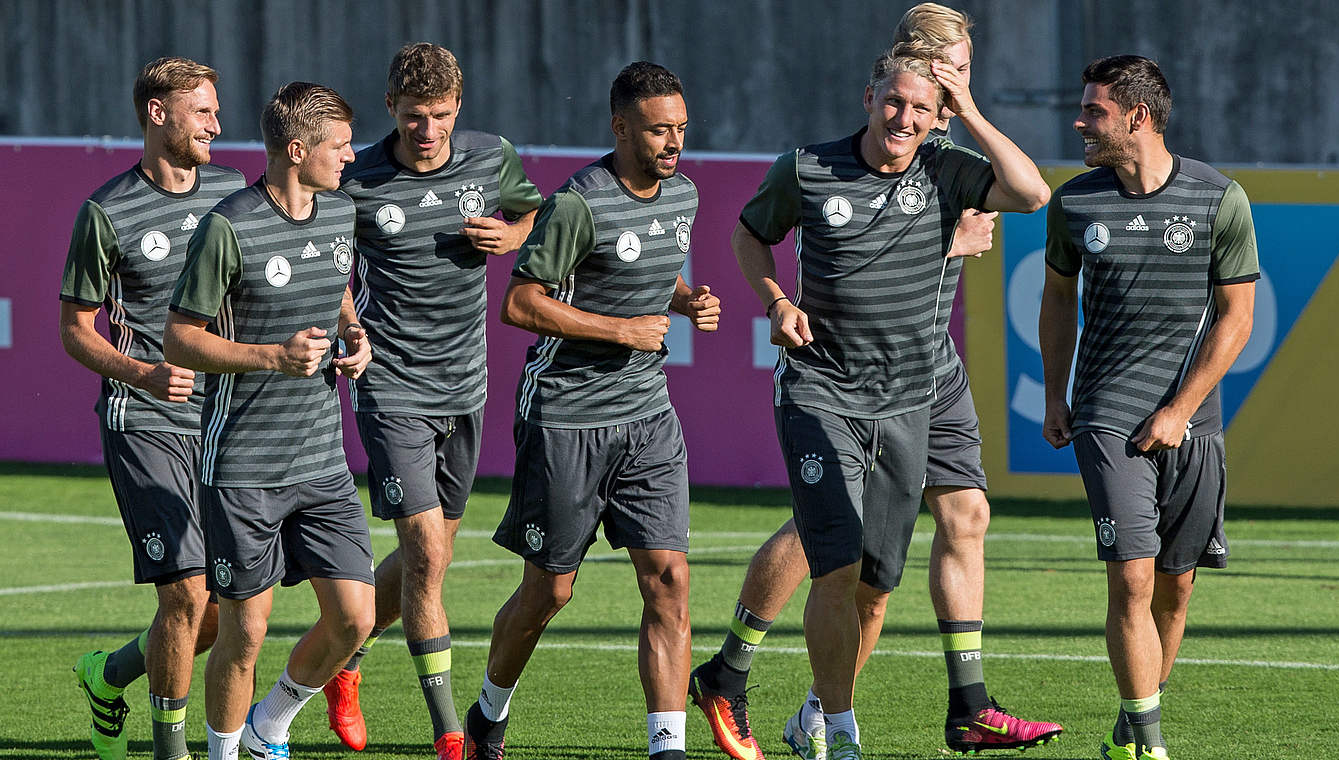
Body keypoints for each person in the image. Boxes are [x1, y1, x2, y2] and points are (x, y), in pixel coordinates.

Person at [689, 7, 1062, 759]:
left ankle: (783, 698)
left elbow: (1031, 194)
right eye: (897, 99)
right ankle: (846, 732)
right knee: (834, 555)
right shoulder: (808, 167)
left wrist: (967, 115)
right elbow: (749, 233)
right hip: (823, 390)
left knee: (879, 578)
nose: (906, 114)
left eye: (927, 102)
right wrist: (777, 301)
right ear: (870, 94)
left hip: (915, 394)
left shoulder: (949, 164)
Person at [459, 61, 720, 760]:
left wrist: (684, 300)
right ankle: (489, 711)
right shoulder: (579, 202)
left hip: (648, 416)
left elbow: (648, 272)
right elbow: (521, 303)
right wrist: (621, 330)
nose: (674, 142)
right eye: (660, 129)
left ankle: (667, 747)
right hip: (566, 418)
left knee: (669, 580)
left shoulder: (683, 195)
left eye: (682, 129)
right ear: (620, 127)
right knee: (550, 592)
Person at [1040, 55, 1258, 760]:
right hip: (1107, 415)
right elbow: (1054, 299)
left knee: (1175, 589)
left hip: (1194, 425)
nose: (1079, 121)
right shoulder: (1074, 202)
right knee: (1132, 576)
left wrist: (1181, 410)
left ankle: (1127, 731)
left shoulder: (1219, 198)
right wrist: (1054, 392)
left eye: (1093, 110)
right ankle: (1152, 746)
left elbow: (1236, 317)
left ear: (1137, 116)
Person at [331, 42, 542, 760]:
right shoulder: (355, 174)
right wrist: (350, 324)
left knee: (435, 556)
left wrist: (511, 232)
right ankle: (451, 733)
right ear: (391, 108)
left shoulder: (489, 157)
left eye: (443, 117)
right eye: (416, 117)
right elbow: (322, 257)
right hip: (390, 385)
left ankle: (344, 659)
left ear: (460, 108)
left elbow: (532, 213)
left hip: (466, 384)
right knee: (423, 547)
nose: (429, 131)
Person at [163, 81, 376, 760]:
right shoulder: (228, 226)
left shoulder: (339, 214)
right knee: (244, 633)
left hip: (322, 462)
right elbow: (178, 338)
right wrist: (270, 356)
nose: (349, 157)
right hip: (243, 468)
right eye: (338, 146)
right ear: (297, 148)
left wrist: (354, 331)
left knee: (355, 619)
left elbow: (336, 283)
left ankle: (270, 726)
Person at [61, 56, 244, 760]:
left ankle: (106, 676)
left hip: (227, 426)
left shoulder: (234, 194)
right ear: (158, 113)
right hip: (145, 424)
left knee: (226, 606)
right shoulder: (105, 213)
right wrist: (141, 372)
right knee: (187, 593)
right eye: (203, 111)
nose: (217, 125)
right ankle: (173, 751)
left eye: (217, 111)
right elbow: (75, 330)